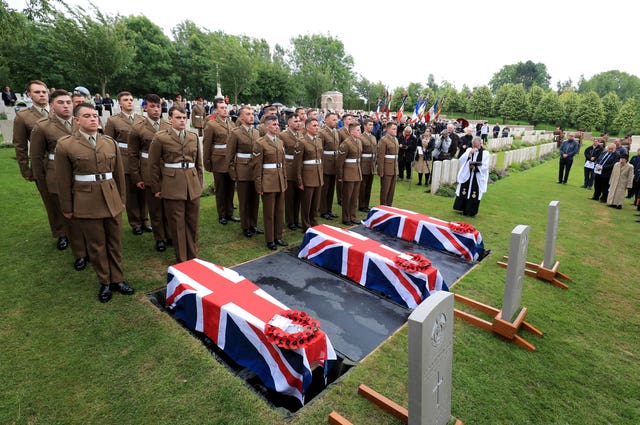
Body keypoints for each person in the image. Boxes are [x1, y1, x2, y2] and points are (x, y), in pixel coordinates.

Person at [55, 103, 134, 303]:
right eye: (87, 116)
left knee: (115, 243)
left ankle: (118, 279)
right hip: (86, 201)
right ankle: (105, 282)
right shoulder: (66, 145)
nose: (93, 119)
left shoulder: (109, 142)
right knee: (97, 245)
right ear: (76, 120)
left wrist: (122, 199)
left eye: (95, 115)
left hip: (112, 199)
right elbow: (63, 181)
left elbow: (118, 175)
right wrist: (67, 207)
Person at [30, 89, 89, 269]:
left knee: (85, 214)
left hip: (81, 176)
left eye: (68, 103)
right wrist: (42, 181)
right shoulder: (42, 126)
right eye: (61, 103)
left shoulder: (81, 122)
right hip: (55, 175)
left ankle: (92, 247)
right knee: (69, 216)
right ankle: (80, 253)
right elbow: (36, 157)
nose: (66, 106)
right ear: (52, 106)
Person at [13, 80, 69, 249]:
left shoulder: (57, 111)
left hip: (67, 162)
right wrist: (26, 170)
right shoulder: (24, 117)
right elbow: (20, 145)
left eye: (44, 92)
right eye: (37, 92)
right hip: (44, 165)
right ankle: (61, 233)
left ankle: (76, 230)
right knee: (52, 202)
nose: (42, 95)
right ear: (29, 95)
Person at [149, 105, 203, 263]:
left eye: (184, 118)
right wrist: (157, 187)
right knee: (177, 224)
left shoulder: (192, 136)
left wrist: (199, 184)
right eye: (178, 117)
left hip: (192, 184)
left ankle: (193, 257)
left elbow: (198, 165)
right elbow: (153, 165)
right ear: (170, 119)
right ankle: (182, 260)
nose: (182, 120)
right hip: (173, 185)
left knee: (192, 223)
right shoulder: (161, 137)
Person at [128, 93, 172, 252]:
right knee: (155, 207)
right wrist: (136, 176)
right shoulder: (137, 128)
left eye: (158, 106)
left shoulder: (168, 126)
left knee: (168, 205)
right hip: (147, 170)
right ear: (145, 107)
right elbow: (132, 154)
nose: (156, 109)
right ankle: (159, 238)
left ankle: (169, 235)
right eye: (152, 106)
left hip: (167, 170)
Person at [104, 91, 150, 236]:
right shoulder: (113, 121)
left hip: (141, 159)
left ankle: (145, 220)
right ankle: (135, 222)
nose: (129, 102)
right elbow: (108, 142)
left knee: (144, 191)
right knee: (131, 193)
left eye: (131, 99)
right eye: (126, 100)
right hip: (124, 159)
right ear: (120, 103)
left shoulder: (142, 119)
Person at [252, 115, 287, 250]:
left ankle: (278, 236)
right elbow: (257, 167)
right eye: (273, 124)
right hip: (267, 181)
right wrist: (259, 185)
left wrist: (284, 179)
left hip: (279, 180)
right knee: (269, 212)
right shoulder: (260, 143)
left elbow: (283, 163)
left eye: (277, 124)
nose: (277, 126)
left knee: (279, 211)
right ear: (266, 126)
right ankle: (270, 239)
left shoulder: (280, 142)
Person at [226, 105, 262, 238]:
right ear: (241, 117)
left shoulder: (256, 132)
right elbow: (229, 155)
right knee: (244, 200)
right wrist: (233, 173)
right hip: (242, 170)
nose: (251, 116)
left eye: (252, 113)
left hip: (255, 170)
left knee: (255, 199)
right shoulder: (235, 133)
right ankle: (246, 226)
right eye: (248, 114)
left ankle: (253, 224)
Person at [203, 98, 239, 225]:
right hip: (218, 161)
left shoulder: (231, 123)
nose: (225, 110)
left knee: (230, 189)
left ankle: (230, 213)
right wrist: (207, 163)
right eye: (222, 108)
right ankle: (222, 214)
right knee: (221, 189)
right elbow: (206, 145)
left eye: (225, 107)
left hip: (230, 161)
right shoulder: (211, 125)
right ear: (216, 110)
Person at [296, 117, 323, 231]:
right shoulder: (302, 142)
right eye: (314, 126)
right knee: (307, 203)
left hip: (317, 174)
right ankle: (306, 225)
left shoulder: (319, 140)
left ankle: (314, 222)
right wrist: (299, 180)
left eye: (318, 125)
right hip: (307, 176)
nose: (317, 128)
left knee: (316, 202)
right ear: (307, 127)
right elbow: (298, 164)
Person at [453, 137, 490, 217]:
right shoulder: (469, 150)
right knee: (464, 190)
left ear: (481, 144)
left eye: (477, 146)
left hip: (477, 176)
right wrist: (469, 153)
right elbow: (462, 160)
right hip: (468, 174)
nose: (476, 148)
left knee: (474, 192)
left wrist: (475, 167)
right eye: (474, 146)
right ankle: (462, 209)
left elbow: (485, 166)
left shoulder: (485, 153)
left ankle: (471, 211)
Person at [279, 114, 304, 230]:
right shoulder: (283, 136)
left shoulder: (301, 134)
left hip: (299, 168)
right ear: (289, 123)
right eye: (295, 121)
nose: (298, 123)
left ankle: (296, 219)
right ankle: (290, 221)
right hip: (288, 167)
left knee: (298, 196)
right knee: (289, 197)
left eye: (299, 121)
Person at [337, 123, 363, 225]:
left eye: (359, 130)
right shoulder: (345, 144)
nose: (359, 132)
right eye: (357, 130)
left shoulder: (359, 142)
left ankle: (352, 216)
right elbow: (339, 162)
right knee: (347, 197)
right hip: (348, 173)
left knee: (354, 196)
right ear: (351, 132)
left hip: (357, 171)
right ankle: (346, 218)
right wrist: (340, 176)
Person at [318, 112, 340, 220]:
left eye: (336, 120)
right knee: (325, 189)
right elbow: (319, 150)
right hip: (326, 163)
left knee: (331, 188)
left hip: (334, 163)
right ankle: (323, 210)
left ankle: (329, 209)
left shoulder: (336, 132)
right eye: (333, 120)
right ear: (326, 120)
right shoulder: (322, 133)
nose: (335, 122)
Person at [377, 121, 399, 206]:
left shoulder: (396, 139)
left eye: (396, 129)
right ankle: (383, 206)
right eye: (393, 129)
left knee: (391, 189)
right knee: (385, 189)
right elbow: (380, 157)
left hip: (394, 167)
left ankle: (389, 205)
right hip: (386, 168)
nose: (395, 130)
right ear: (388, 130)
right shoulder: (384, 140)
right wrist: (380, 170)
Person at [358, 118, 377, 211]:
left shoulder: (373, 137)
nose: (371, 127)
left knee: (369, 186)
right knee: (363, 186)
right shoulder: (361, 137)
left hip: (371, 164)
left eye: (372, 125)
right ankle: (361, 205)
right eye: (369, 125)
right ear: (364, 126)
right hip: (363, 164)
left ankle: (366, 204)